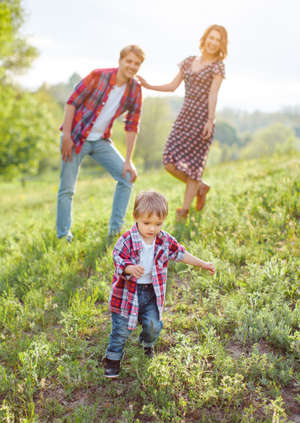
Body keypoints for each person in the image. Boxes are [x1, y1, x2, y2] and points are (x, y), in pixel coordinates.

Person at [103, 190, 216, 378]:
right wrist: (129, 268)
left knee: (154, 325)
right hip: (127, 294)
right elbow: (117, 257)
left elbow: (180, 253)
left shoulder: (163, 240)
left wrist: (203, 264)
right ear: (136, 217)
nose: (152, 229)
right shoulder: (127, 239)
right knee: (121, 329)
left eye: (158, 224)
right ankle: (112, 358)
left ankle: (146, 342)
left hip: (150, 294)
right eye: (147, 223)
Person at [137, 25, 228, 222]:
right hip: (185, 117)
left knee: (194, 167)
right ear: (205, 39)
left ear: (221, 45)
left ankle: (184, 212)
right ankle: (201, 187)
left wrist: (210, 121)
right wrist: (148, 85)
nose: (213, 42)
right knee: (169, 161)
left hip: (203, 119)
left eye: (218, 40)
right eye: (211, 38)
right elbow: (172, 86)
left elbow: (213, 94)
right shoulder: (188, 61)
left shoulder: (218, 66)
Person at [56, 45, 145, 242]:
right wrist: (67, 137)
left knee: (127, 177)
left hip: (100, 140)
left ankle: (115, 232)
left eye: (136, 63)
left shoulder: (135, 90)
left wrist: (128, 161)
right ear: (120, 61)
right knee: (67, 188)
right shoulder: (99, 76)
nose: (132, 66)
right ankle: (63, 235)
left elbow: (132, 126)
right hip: (76, 137)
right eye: (129, 61)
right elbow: (72, 103)